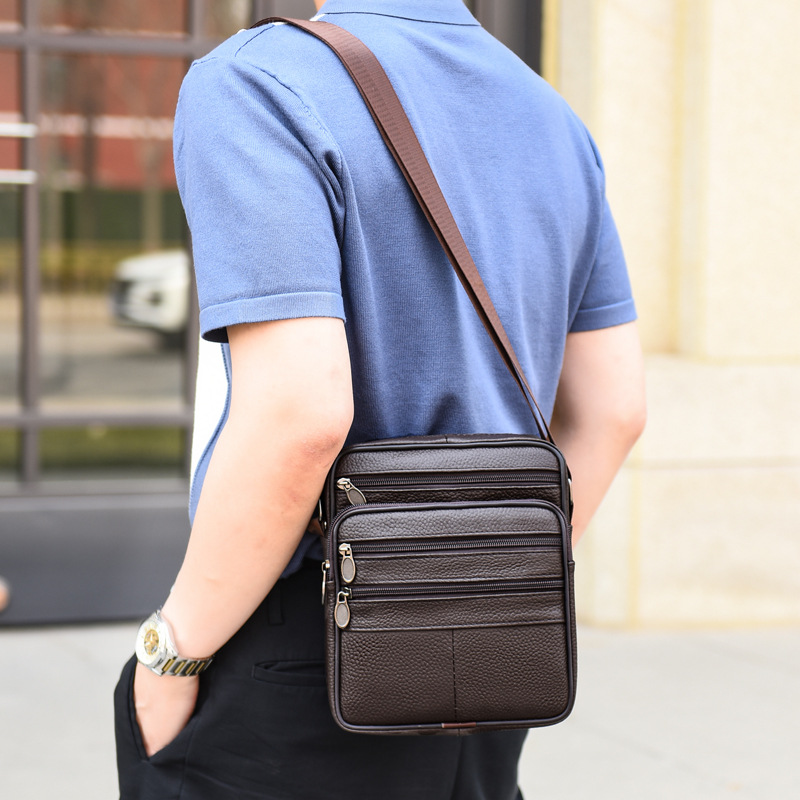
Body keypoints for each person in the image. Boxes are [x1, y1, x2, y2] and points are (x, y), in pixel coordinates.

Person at [114, 1, 646, 797]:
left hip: (304, 653)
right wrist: (495, 572)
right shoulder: (550, 115)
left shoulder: (258, 82)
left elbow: (301, 416)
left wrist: (171, 654)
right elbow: (614, 410)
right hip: (498, 648)